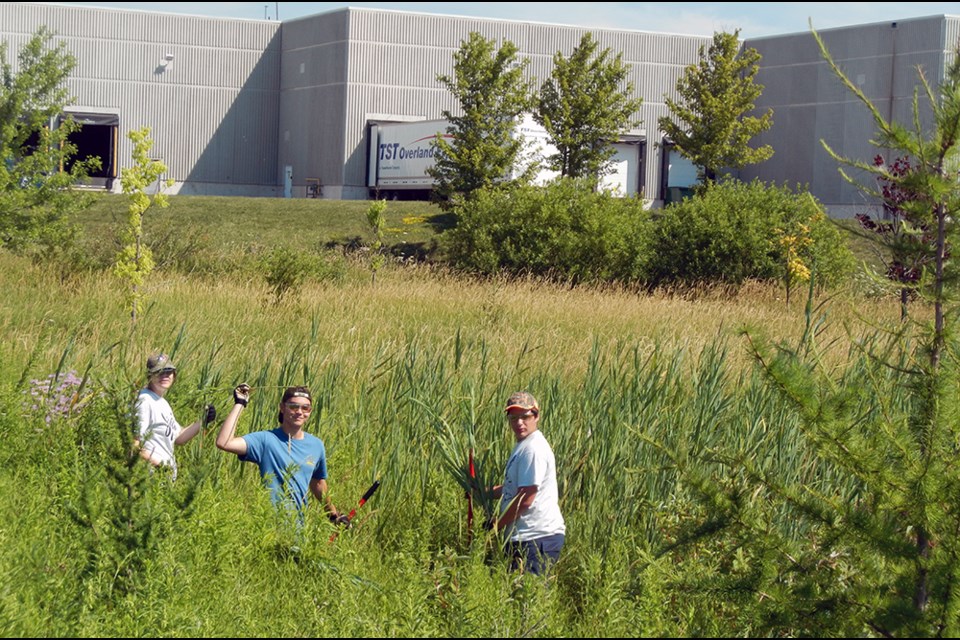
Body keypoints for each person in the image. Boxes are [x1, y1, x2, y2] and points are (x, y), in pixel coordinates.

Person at [216, 383, 348, 524]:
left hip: (298, 528)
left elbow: (318, 483)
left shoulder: (316, 445)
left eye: (305, 408)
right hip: (267, 527)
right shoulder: (265, 440)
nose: (299, 412)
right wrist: (240, 403)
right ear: (282, 408)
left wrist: (333, 515)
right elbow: (224, 442)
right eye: (293, 406)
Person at [490, 391, 566, 575]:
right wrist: (486, 492)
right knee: (518, 596)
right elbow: (517, 488)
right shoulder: (524, 445)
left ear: (536, 416)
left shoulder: (533, 449)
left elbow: (525, 498)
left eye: (525, 416)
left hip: (536, 537)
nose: (519, 423)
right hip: (525, 537)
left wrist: (496, 526)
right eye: (514, 418)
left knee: (529, 598)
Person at [135, 352, 215, 481]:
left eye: (168, 371)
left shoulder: (162, 403)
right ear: (149, 375)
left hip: (163, 478)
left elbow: (178, 438)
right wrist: (159, 466)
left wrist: (203, 420)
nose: (165, 375)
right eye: (159, 372)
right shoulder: (144, 401)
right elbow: (134, 444)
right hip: (150, 477)